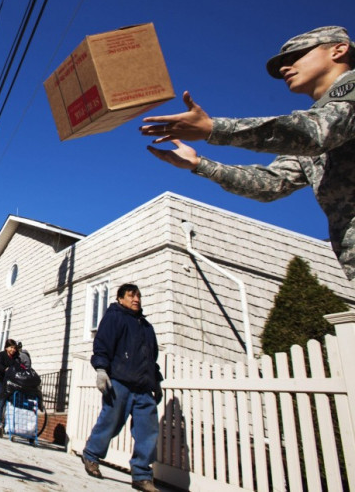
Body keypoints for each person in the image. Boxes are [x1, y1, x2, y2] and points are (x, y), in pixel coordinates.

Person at [140, 26, 355, 289]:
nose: (284, 68)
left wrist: (214, 129)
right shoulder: (316, 122)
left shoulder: (342, 104)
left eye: (294, 57)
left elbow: (316, 133)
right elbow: (272, 184)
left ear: (339, 49)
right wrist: (200, 164)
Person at [81, 284, 163, 492]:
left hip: (144, 387)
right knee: (111, 422)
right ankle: (91, 454)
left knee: (148, 431)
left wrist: (157, 382)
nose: (136, 299)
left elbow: (151, 359)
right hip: (120, 382)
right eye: (131, 295)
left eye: (138, 295)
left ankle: (142, 475)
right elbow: (102, 344)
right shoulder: (114, 318)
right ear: (120, 299)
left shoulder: (146, 327)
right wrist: (101, 370)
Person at [0, 338, 20, 436]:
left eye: (14, 348)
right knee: (1, 401)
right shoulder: (2, 355)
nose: (13, 350)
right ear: (6, 348)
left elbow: (17, 367)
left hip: (9, 382)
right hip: (0, 380)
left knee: (6, 403)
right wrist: (5, 369)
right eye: (11, 347)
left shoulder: (16, 357)